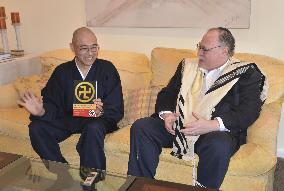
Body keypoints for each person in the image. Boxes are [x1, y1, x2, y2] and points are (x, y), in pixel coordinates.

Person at [127, 27, 267, 189]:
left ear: (224, 51)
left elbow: (249, 111)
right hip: (180, 127)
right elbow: (167, 93)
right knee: (142, 127)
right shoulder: (187, 66)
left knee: (219, 144)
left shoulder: (246, 73)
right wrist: (167, 116)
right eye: (199, 46)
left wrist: (212, 124)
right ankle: (141, 184)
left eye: (205, 49)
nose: (199, 53)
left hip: (213, 133)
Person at [18, 27, 124, 183]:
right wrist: (40, 112)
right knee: (37, 128)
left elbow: (116, 108)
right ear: (72, 47)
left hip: (98, 119)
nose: (90, 53)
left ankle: (90, 182)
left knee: (93, 128)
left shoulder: (107, 69)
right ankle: (62, 176)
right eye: (84, 48)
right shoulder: (62, 72)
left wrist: (101, 111)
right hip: (69, 118)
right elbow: (52, 103)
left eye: (94, 47)